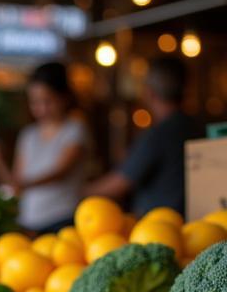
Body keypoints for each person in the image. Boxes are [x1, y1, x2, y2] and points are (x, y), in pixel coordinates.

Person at [85, 57, 201, 216]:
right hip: (191, 221)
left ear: (149, 92)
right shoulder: (195, 127)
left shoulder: (158, 134)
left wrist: (79, 192)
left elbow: (118, 184)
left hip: (157, 226)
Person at [0, 62, 90, 234]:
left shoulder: (75, 130)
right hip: (29, 222)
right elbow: (14, 184)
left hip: (63, 220)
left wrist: (22, 184)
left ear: (64, 97)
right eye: (35, 102)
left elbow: (60, 173)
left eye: (48, 101)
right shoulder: (28, 135)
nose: (41, 109)